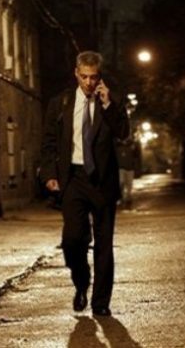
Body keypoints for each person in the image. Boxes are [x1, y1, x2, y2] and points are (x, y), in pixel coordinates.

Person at [40, 51, 129, 316]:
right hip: (73, 179)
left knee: (104, 244)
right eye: (84, 77)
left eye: (94, 77)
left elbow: (123, 133)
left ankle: (100, 303)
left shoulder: (111, 101)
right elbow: (48, 142)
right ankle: (81, 282)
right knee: (72, 239)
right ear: (76, 74)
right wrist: (49, 174)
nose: (89, 83)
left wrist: (108, 105)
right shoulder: (61, 103)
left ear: (100, 77)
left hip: (103, 181)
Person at [116, 137, 136, 209]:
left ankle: (128, 199)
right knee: (121, 182)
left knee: (129, 185)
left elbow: (136, 155)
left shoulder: (131, 146)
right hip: (121, 168)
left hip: (130, 168)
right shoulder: (117, 147)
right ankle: (121, 197)